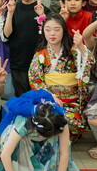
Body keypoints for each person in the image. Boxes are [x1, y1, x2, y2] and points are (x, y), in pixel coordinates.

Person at [0, 89, 94, 171]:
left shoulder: (59, 122)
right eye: (41, 135)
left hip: (47, 138)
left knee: (54, 148)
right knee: (5, 149)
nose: (42, 137)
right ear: (35, 128)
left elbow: (64, 153)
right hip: (23, 140)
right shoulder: (24, 121)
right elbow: (5, 155)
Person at [29, 13, 93, 142]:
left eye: (57, 30)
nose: (52, 33)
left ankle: (59, 137)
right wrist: (51, 96)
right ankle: (60, 138)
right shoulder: (40, 55)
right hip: (49, 101)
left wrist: (81, 46)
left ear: (64, 30)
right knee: (45, 118)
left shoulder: (73, 51)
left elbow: (88, 64)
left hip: (72, 103)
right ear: (43, 31)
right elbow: (35, 80)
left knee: (72, 121)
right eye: (48, 30)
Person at [4, 0, 48, 97]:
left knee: (37, 96)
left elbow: (48, 34)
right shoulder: (13, 8)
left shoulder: (42, 9)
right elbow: (7, 34)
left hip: (37, 59)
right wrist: (10, 13)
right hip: (18, 60)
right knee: (22, 96)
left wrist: (42, 15)